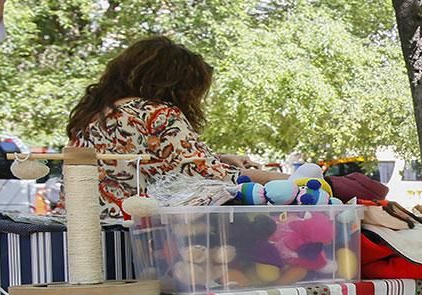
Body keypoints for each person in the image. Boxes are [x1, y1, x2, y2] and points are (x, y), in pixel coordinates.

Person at [68, 36, 284, 220]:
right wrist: (288, 179)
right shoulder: (155, 114)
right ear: (176, 85)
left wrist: (220, 158)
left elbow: (148, 163)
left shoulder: (93, 115)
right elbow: (209, 178)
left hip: (88, 229)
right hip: (136, 233)